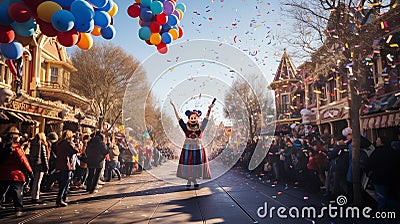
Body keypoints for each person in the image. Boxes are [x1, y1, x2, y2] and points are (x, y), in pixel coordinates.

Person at [170, 99, 213, 188]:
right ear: (189, 118)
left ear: (197, 118)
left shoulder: (201, 127)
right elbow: (179, 119)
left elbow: (206, 118)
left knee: (196, 165)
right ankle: (191, 180)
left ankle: (192, 179)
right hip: (188, 148)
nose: (193, 119)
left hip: (198, 148)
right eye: (191, 118)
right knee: (188, 164)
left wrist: (209, 109)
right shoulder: (185, 127)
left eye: (195, 118)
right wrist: (174, 107)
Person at [0, 126, 33, 217]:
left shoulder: (2, 146)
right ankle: (18, 209)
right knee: (17, 192)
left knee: (1, 190)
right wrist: (29, 172)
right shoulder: (17, 148)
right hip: (16, 174)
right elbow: (23, 161)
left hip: (3, 173)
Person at [55, 130, 79, 207]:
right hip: (67, 164)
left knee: (64, 182)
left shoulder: (59, 143)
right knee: (65, 182)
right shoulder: (68, 143)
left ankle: (63, 197)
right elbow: (75, 150)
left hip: (61, 163)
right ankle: (60, 199)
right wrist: (75, 144)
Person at [29, 132, 49, 204]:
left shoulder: (33, 143)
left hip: (34, 164)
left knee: (35, 181)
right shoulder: (41, 144)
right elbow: (44, 157)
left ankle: (34, 195)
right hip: (40, 164)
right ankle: (35, 197)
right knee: (38, 181)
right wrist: (46, 167)